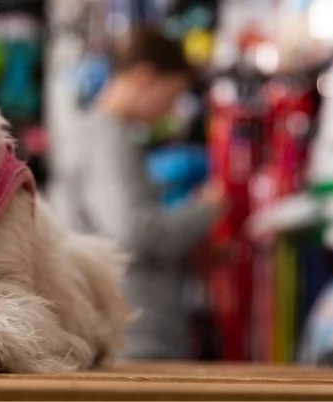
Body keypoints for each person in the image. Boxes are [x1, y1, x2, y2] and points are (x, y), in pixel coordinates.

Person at [64, 25, 226, 360]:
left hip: (130, 329)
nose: (170, 111)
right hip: (135, 335)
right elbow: (134, 232)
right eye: (171, 96)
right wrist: (206, 209)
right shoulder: (107, 138)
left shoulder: (103, 134)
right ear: (143, 77)